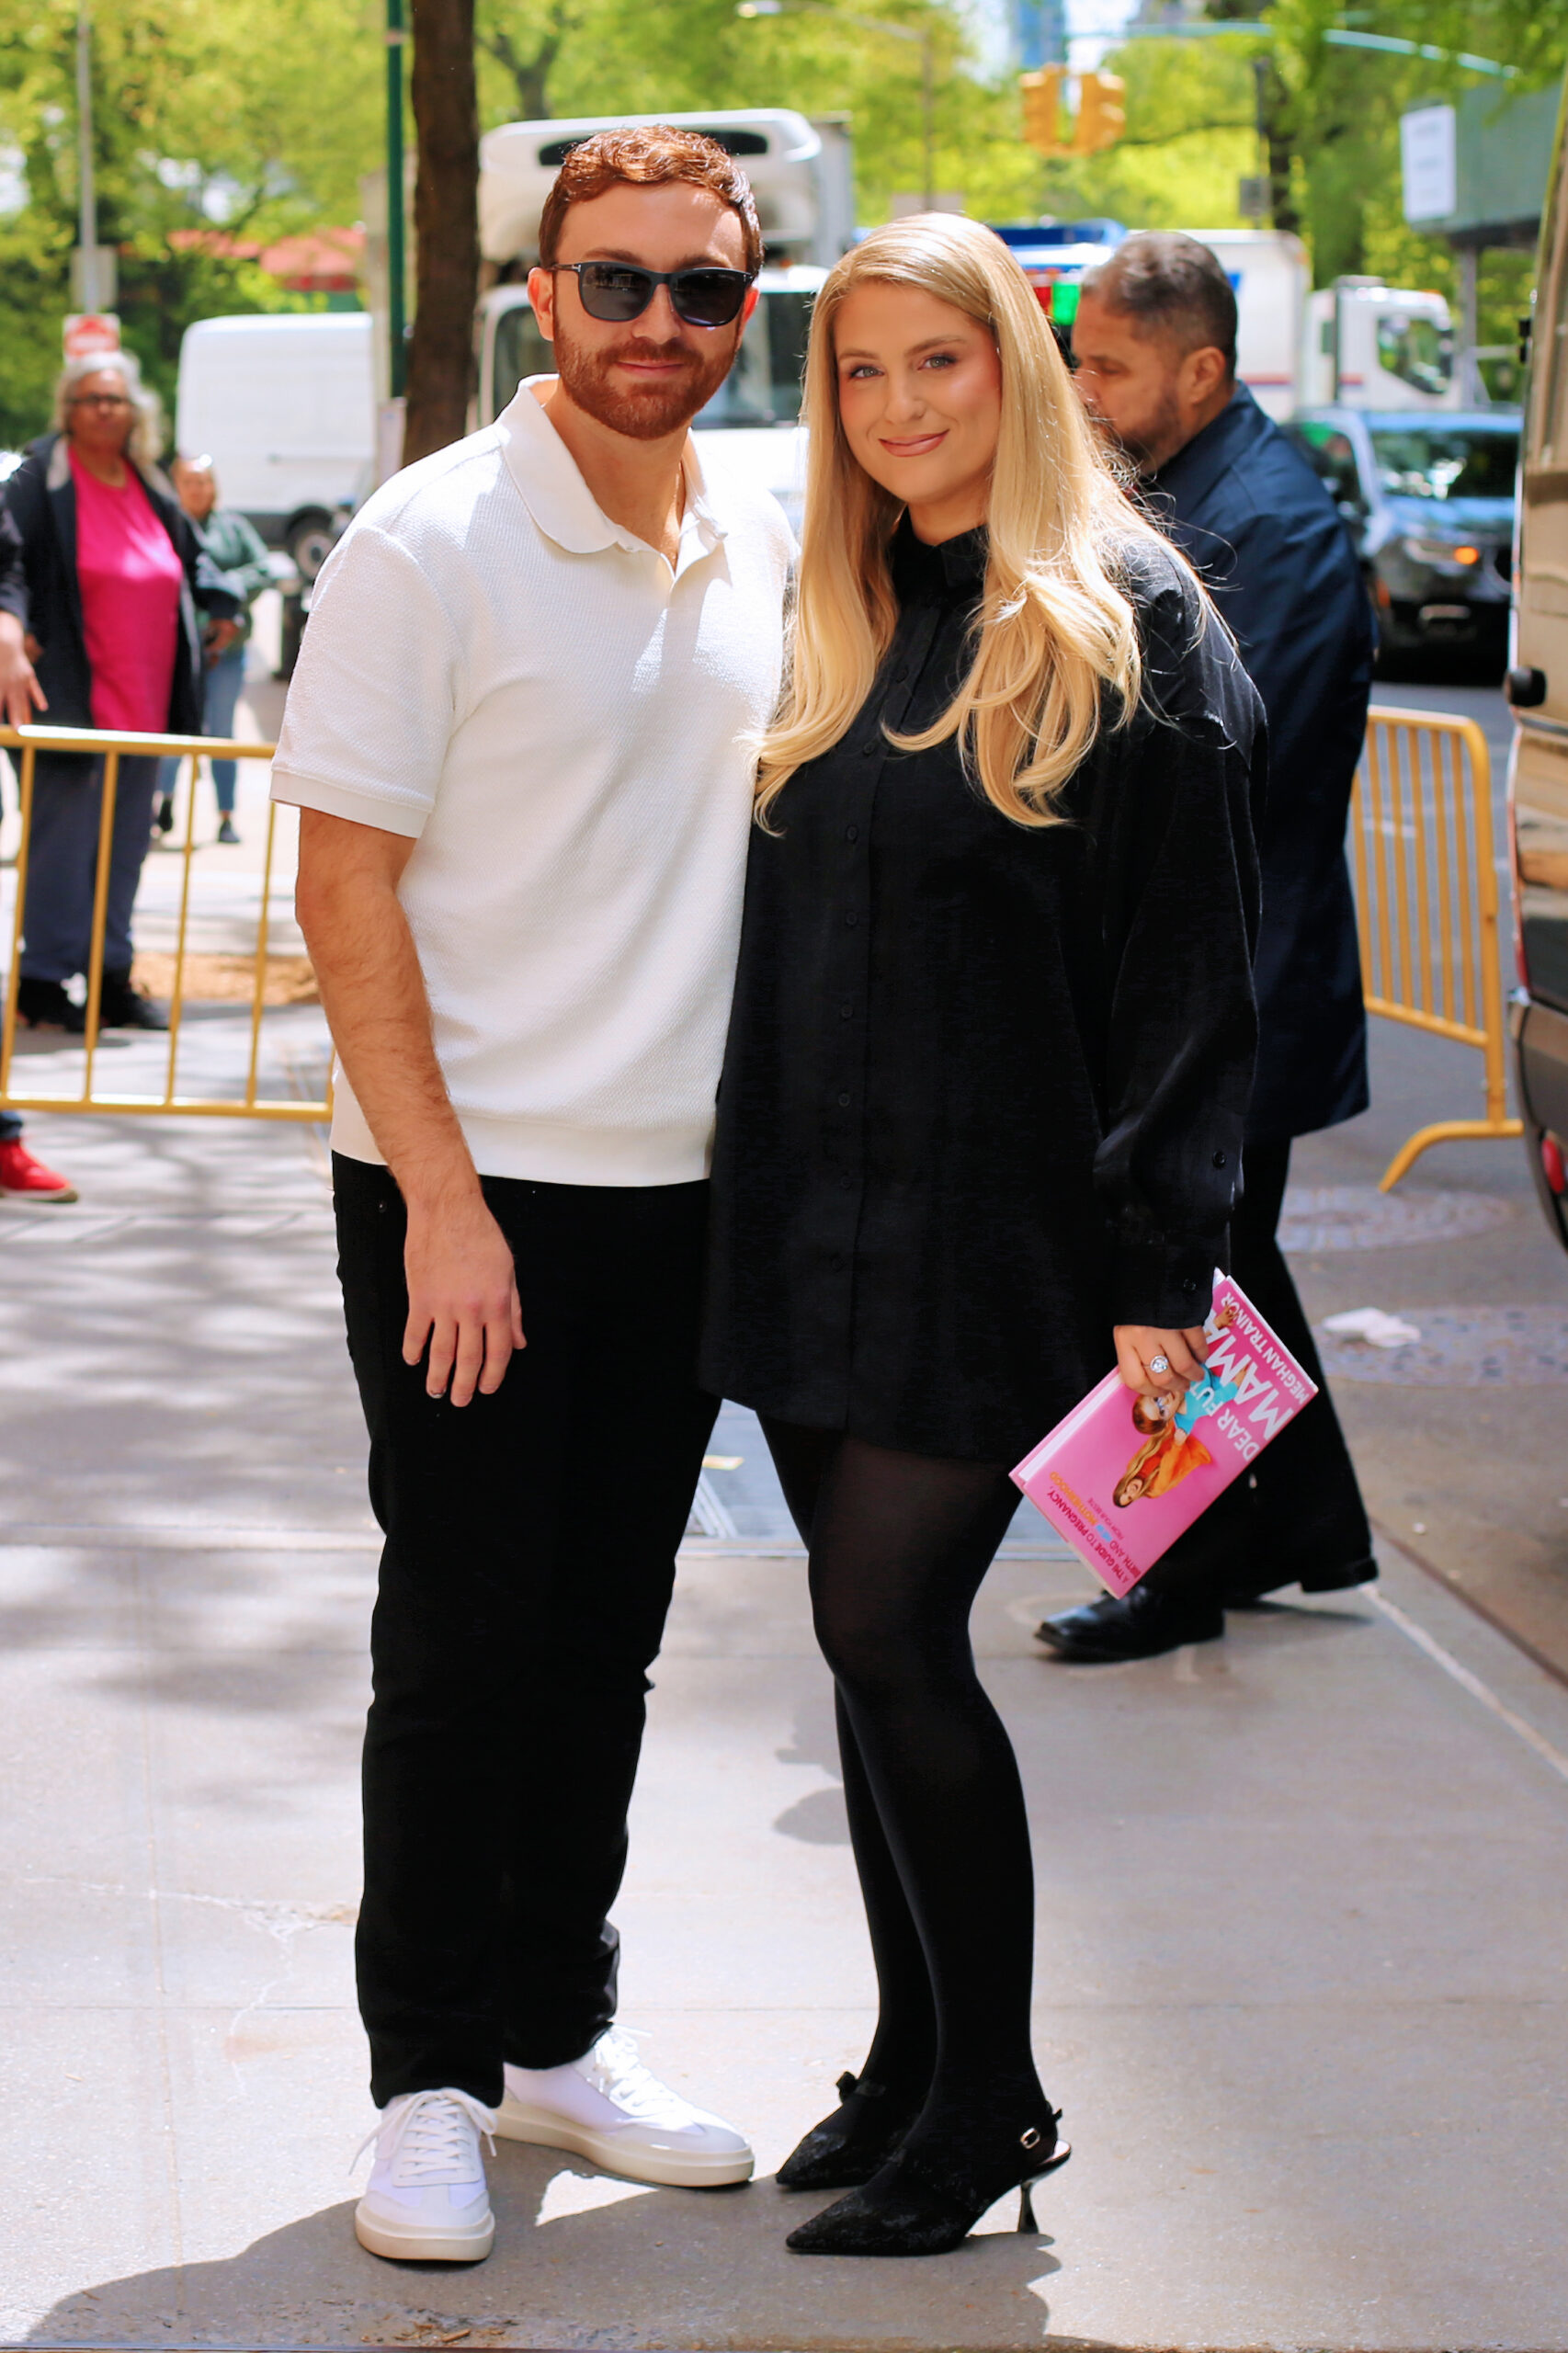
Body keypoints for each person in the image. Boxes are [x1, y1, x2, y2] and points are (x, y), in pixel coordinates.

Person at [699, 214, 1264, 2258]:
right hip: (813, 1220)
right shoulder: (845, 601)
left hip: (1007, 1239)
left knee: (886, 1629)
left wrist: (1157, 1265)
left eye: (937, 361)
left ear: (1013, 366)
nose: (898, 405)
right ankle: (912, 2058)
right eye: (858, 371)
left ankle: (995, 2093)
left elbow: (1197, 980)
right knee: (865, 1655)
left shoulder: (1128, 619)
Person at [269, 127, 794, 2267]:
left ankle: (555, 2033)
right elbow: (339, 887)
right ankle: (422, 2074)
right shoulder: (428, 540)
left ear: (742, 304)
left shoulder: (763, 526)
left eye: (699, 289)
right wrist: (443, 1202)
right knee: (461, 1640)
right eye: (615, 283)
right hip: (466, 1197)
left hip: (681, 1197)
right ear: (537, 297)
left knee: (606, 1643)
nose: (656, 324)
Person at [1039, 231, 1377, 1665]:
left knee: (1183, 1275)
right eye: (1076, 359)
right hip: (1200, 974)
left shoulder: (1273, 525)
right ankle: (1295, 1532)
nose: (1082, 388)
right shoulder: (1182, 492)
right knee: (1228, 1269)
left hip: (1240, 977)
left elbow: (1234, 771)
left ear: (1201, 369)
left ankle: (1181, 1574)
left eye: (1106, 365)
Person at [0, 349, 243, 1034]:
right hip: (70, 699)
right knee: (61, 846)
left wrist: (224, 600)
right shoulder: (37, 475)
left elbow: (191, 555)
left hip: (146, 704)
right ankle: (43, 982)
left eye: (116, 400)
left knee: (125, 847)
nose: (104, 411)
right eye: (91, 399)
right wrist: (16, 627)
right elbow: (7, 557)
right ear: (67, 410)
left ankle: (109, 977)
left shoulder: (149, 482)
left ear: (137, 413)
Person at [153, 455, 273, 845]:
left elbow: (263, 569)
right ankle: (163, 805)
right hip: (177, 650)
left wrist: (226, 588)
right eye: (189, 481)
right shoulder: (165, 523)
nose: (197, 489)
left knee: (221, 732)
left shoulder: (233, 528)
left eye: (203, 481)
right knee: (174, 728)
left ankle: (225, 816)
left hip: (226, 651)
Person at [0, 1110, 77, 1202]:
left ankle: (12, 1193)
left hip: (28, 1179)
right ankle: (13, 1194)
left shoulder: (12, 1148)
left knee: (68, 1191)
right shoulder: (9, 1150)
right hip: (19, 1182)